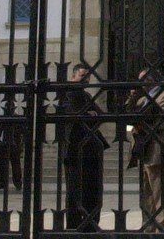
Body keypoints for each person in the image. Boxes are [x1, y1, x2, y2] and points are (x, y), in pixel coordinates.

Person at [61, 63, 109, 231]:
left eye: (88, 77)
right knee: (75, 190)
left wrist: (90, 115)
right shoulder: (67, 93)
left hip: (91, 149)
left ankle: (91, 223)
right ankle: (74, 226)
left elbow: (99, 115)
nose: (86, 80)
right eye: (83, 76)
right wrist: (88, 115)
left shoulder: (86, 95)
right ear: (73, 76)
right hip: (75, 150)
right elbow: (75, 116)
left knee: (92, 189)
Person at [129, 69, 164, 233]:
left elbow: (163, 121)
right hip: (143, 150)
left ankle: (160, 228)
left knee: (159, 194)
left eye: (142, 79)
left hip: (158, 150)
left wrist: (141, 124)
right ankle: (148, 227)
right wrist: (132, 97)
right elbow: (128, 115)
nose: (139, 82)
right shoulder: (141, 99)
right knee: (146, 193)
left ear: (151, 79)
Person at [0, 119, 23, 191]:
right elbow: (0, 132)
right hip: (3, 145)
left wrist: (19, 144)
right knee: (2, 165)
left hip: (14, 145)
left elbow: (21, 132)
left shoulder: (17, 119)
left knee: (16, 165)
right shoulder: (4, 118)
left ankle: (18, 183)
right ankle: (2, 182)